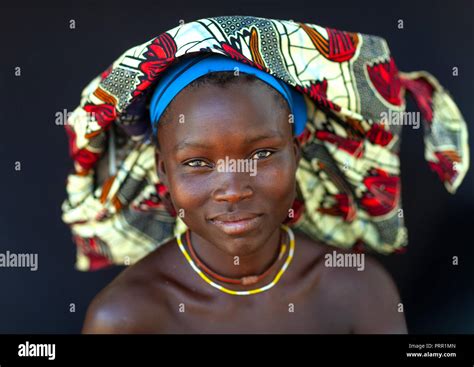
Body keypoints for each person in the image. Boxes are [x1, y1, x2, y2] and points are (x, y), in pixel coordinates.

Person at [82, 54, 407, 333]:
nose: (234, 191)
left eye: (262, 154)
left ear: (295, 153)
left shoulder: (357, 288)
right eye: (197, 162)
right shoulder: (125, 318)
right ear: (163, 170)